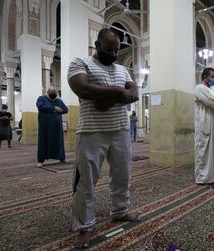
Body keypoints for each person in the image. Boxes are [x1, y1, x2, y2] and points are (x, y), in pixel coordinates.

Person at [67, 28, 139, 248]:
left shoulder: (122, 69)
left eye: (117, 49)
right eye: (109, 49)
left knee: (122, 175)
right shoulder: (80, 63)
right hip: (91, 131)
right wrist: (118, 92)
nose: (114, 54)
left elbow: (134, 93)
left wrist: (113, 95)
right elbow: (82, 88)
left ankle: (120, 210)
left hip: (120, 130)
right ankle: (84, 226)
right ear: (97, 46)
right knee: (86, 181)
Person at [35, 87, 68, 168]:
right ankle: (40, 161)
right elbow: (41, 107)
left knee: (58, 142)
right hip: (45, 126)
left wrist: (57, 109)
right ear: (48, 92)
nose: (53, 94)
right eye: (52, 92)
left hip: (57, 127)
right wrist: (54, 108)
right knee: (43, 142)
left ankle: (61, 158)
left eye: (54, 92)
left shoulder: (59, 101)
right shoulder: (41, 98)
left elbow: (65, 110)